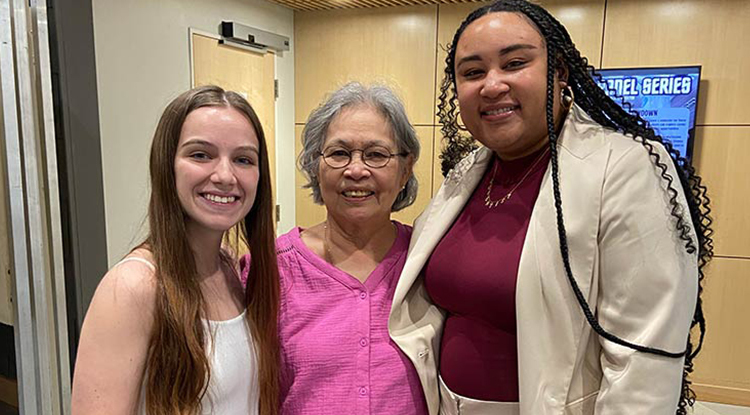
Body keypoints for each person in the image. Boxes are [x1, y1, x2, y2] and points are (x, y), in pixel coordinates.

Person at [388, 1, 713, 414]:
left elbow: (643, 359)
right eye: (472, 72)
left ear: (559, 72)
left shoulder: (625, 168)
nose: (491, 85)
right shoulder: (468, 172)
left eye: (515, 63)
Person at [71, 85, 280, 415]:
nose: (225, 175)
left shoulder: (230, 268)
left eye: (243, 159)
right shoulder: (132, 287)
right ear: (167, 165)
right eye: (200, 155)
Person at [264, 82, 427, 414]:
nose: (356, 170)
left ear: (405, 168)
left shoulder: (429, 260)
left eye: (376, 155)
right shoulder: (270, 269)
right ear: (314, 165)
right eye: (339, 153)